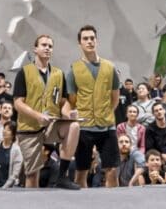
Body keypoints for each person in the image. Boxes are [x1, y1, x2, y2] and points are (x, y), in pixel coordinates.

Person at [13, 34, 80, 189]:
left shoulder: (58, 74)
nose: (47, 48)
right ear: (35, 49)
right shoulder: (24, 72)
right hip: (30, 128)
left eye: (50, 46)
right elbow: (18, 103)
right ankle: (31, 206)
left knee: (74, 126)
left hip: (51, 124)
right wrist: (37, 116)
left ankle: (63, 176)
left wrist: (68, 113)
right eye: (43, 45)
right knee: (32, 173)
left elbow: (62, 101)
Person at [66, 24, 121, 189]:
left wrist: (105, 114)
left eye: (92, 38)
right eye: (85, 39)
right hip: (84, 127)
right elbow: (72, 100)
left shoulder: (110, 68)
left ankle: (116, 207)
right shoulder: (73, 70)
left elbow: (115, 99)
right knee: (81, 171)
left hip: (107, 125)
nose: (89, 41)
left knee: (111, 170)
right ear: (80, 43)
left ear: (96, 41)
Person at [0, 121, 23, 188]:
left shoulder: (16, 150)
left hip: (7, 188)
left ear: (13, 134)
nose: (5, 131)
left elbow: (15, 175)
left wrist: (4, 188)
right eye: (4, 129)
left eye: (8, 130)